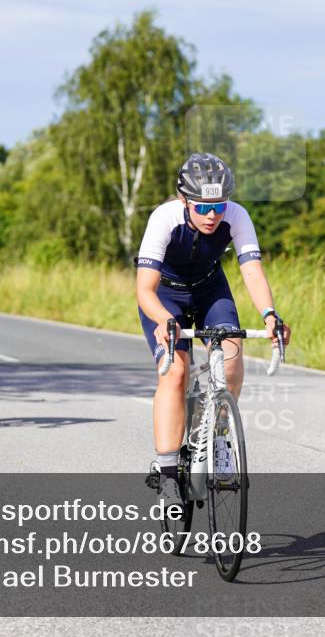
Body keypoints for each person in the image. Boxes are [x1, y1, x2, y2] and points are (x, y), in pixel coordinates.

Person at [135, 153, 290, 510]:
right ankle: (169, 472)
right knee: (175, 371)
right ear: (184, 200)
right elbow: (144, 289)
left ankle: (218, 436)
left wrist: (270, 315)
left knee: (232, 356)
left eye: (218, 205)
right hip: (165, 294)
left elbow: (251, 270)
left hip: (209, 288)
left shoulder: (236, 216)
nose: (211, 215)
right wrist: (165, 320)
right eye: (202, 207)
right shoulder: (164, 218)